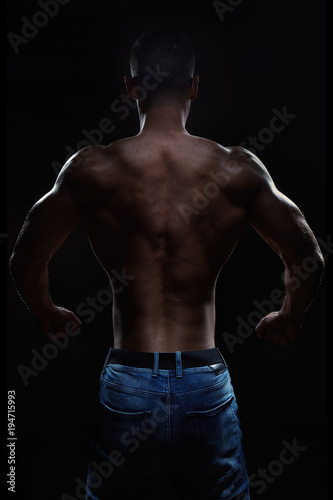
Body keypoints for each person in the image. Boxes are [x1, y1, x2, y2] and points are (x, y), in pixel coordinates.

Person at [10, 30, 324, 500]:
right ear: (194, 86)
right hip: (203, 381)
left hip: (129, 380)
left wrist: (44, 311)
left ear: (130, 86)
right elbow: (306, 254)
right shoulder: (236, 169)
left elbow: (26, 256)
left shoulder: (92, 169)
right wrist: (290, 315)